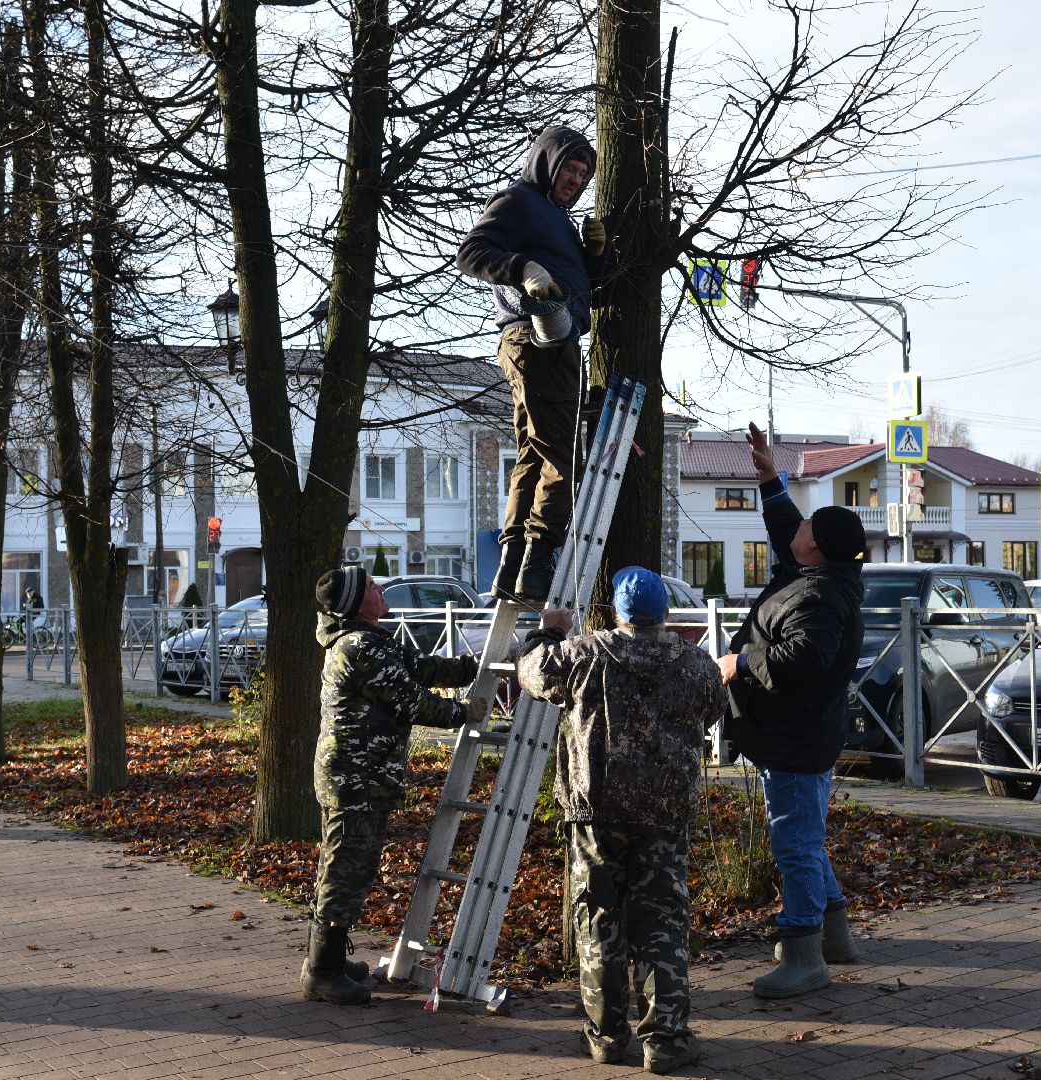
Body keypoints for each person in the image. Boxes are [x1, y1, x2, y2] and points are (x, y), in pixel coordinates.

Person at [516, 567, 726, 1075]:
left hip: (596, 811)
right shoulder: (696, 663)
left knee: (598, 921)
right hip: (665, 813)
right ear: (666, 613)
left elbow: (530, 672)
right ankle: (667, 1040)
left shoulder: (584, 655)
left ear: (616, 611)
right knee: (663, 923)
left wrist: (549, 629)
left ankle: (607, 1036)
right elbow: (714, 710)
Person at [717, 422, 867, 999]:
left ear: (817, 547)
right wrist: (768, 476)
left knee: (796, 844)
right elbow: (786, 524)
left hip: (797, 741)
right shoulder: (814, 570)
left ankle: (805, 954)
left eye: (807, 525)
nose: (797, 525)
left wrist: (741, 663)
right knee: (806, 838)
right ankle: (836, 937)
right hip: (794, 735)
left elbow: (802, 657)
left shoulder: (820, 596)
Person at [304, 566, 483, 1006]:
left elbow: (419, 666)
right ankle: (322, 972)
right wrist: (465, 712)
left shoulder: (371, 640)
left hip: (359, 777)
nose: (379, 589)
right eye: (370, 587)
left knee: (345, 867)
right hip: (355, 780)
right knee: (345, 871)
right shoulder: (360, 646)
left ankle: (326, 959)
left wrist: (471, 667)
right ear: (355, 604)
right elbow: (411, 700)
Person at [457, 125, 606, 604]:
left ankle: (513, 566)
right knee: (562, 456)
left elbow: (583, 291)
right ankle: (538, 565)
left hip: (546, 339)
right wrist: (523, 269)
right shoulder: (519, 201)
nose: (575, 180)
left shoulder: (557, 219)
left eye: (583, 174)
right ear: (547, 162)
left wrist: (594, 258)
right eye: (569, 168)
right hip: (539, 339)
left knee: (535, 454)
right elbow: (472, 253)